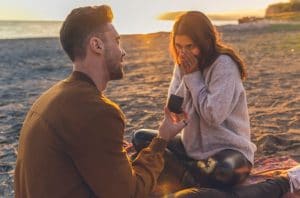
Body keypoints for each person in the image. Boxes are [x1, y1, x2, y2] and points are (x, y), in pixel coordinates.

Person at [14, 5, 188, 198]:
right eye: (117, 41)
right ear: (97, 45)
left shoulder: (48, 98)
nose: (123, 52)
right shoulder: (98, 112)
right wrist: (161, 139)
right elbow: (130, 193)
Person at [131, 11, 297, 197]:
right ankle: (193, 177)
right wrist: (186, 75)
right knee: (140, 138)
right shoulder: (182, 64)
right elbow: (175, 107)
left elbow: (213, 116)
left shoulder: (224, 65)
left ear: (205, 42)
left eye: (190, 46)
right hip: (192, 147)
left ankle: (187, 176)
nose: (183, 52)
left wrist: (193, 76)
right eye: (178, 46)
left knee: (225, 171)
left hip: (227, 151)